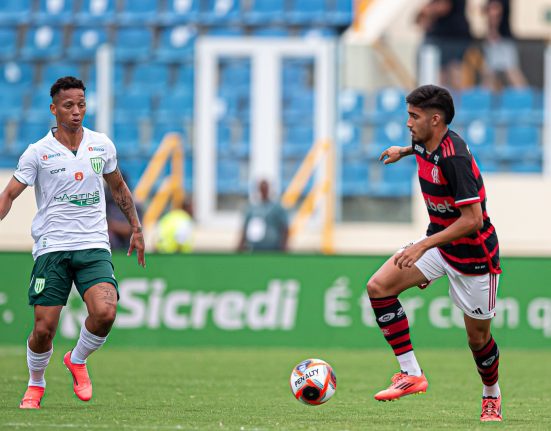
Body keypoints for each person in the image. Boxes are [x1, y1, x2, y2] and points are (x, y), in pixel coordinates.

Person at [0, 76, 146, 409]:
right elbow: (9, 194)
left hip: (93, 243)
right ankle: (35, 384)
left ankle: (77, 359)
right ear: (54, 109)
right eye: (69, 106)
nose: (76, 111)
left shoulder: (101, 145)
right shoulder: (37, 153)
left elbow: (119, 189)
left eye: (81, 104)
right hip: (52, 247)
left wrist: (136, 228)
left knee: (106, 312)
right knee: (44, 329)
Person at [369, 85, 502, 422]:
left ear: (435, 118)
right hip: (440, 245)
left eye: (414, 117)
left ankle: (491, 395)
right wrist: (404, 151)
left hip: (474, 256)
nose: (408, 123)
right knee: (379, 287)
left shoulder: (454, 157)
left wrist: (423, 245)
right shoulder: (426, 143)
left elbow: (472, 221)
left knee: (478, 339)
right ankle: (411, 373)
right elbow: (422, 147)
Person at [416, 0, 472, 90]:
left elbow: (444, 7)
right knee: (445, 72)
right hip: (447, 36)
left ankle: (452, 101)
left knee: (451, 70)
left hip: (451, 37)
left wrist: (429, 9)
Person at [482, 0, 527, 90]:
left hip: (500, 39)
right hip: (501, 38)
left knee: (510, 71)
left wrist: (493, 32)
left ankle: (524, 99)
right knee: (490, 73)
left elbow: (494, 13)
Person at [237, 179, 289, 252]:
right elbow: (245, 229)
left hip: (274, 249)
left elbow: (285, 228)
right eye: (262, 188)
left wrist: (284, 246)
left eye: (266, 188)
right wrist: (240, 246)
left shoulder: (277, 208)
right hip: (255, 249)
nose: (264, 191)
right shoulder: (252, 208)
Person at [105, 170, 143, 251]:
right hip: (109, 247)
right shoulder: (106, 203)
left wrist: (112, 225)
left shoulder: (135, 206)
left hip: (127, 247)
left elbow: (131, 229)